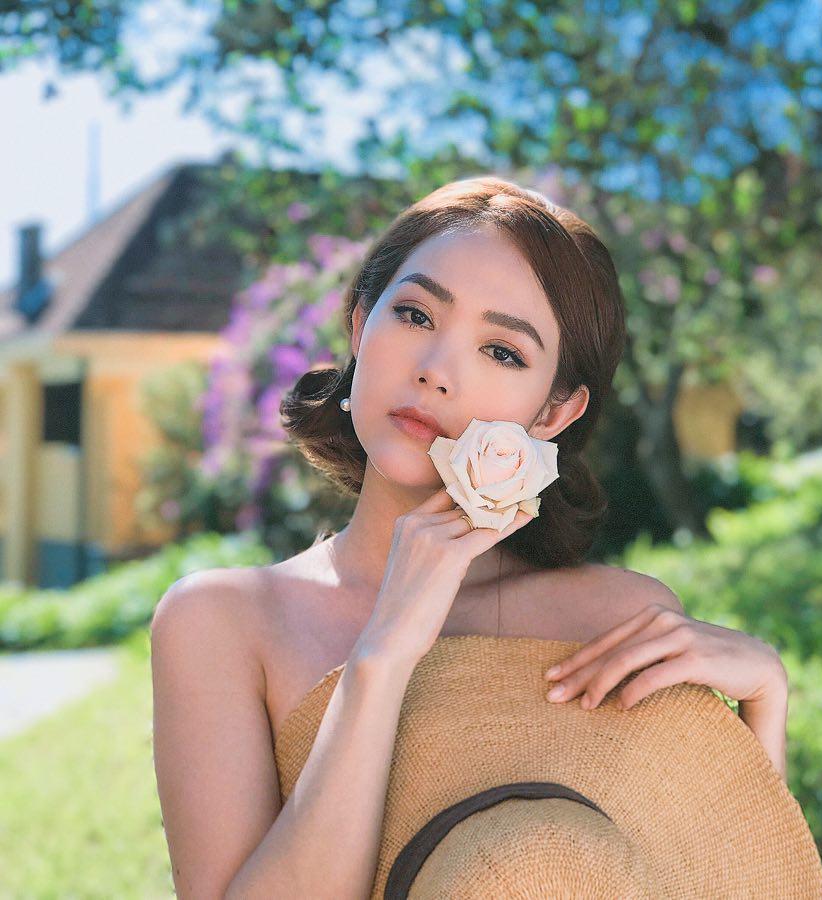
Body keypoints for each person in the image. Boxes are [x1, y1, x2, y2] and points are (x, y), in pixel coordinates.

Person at [150, 176, 789, 898]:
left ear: (553, 412)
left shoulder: (620, 621)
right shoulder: (222, 622)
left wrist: (765, 705)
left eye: (502, 352)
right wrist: (382, 656)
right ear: (360, 328)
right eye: (415, 315)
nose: (435, 372)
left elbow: (714, 874)